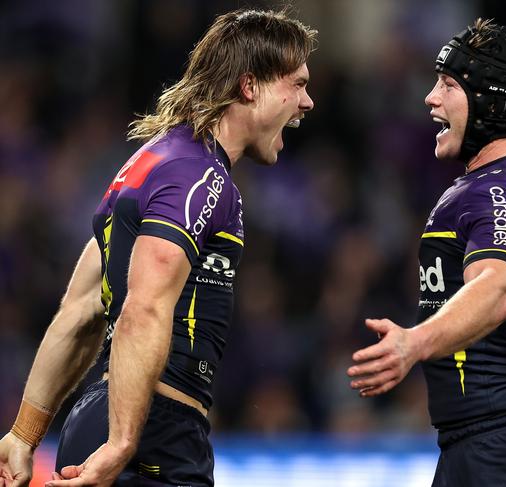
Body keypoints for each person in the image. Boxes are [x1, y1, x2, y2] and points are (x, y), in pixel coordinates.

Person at [0, 8, 316, 487]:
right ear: (250, 87)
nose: (308, 101)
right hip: (153, 435)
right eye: (297, 83)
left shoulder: (148, 164)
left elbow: (82, 310)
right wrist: (124, 443)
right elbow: (143, 308)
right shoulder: (200, 176)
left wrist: (24, 434)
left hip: (99, 419)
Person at [348, 18, 506, 486]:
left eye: (448, 84)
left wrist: (413, 343)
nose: (430, 98)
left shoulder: (500, 193)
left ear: (494, 99)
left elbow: (498, 289)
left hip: (502, 448)